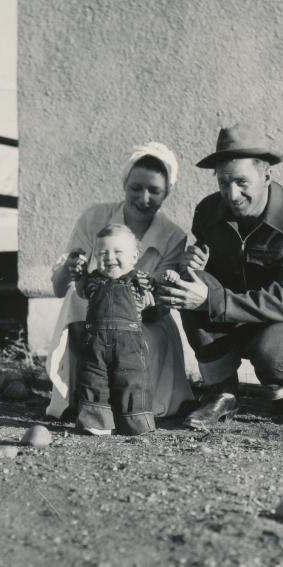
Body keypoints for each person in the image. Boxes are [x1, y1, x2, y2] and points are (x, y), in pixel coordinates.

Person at [158, 123, 283, 427]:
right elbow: (205, 278)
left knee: (271, 351)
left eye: (241, 182)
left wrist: (213, 300)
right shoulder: (208, 211)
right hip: (231, 309)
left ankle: (282, 394)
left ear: (266, 175)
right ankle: (221, 394)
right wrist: (193, 266)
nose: (231, 194)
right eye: (223, 183)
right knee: (188, 288)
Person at [46, 143, 194, 421]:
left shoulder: (172, 236)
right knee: (75, 300)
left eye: (154, 191)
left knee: (132, 350)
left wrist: (134, 302)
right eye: (136, 188)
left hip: (143, 320)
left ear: (168, 192)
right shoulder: (95, 218)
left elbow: (159, 306)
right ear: (124, 184)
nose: (144, 198)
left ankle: (127, 403)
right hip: (93, 313)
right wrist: (71, 267)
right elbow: (58, 288)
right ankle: (80, 395)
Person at [75, 224, 157, 436]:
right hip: (95, 341)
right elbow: (80, 289)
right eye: (102, 253)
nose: (109, 257)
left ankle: (134, 422)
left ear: (134, 256)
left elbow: (155, 297)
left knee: (132, 380)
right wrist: (80, 272)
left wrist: (163, 285)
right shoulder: (93, 280)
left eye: (118, 252)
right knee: (93, 378)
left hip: (129, 343)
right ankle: (96, 422)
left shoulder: (139, 280)